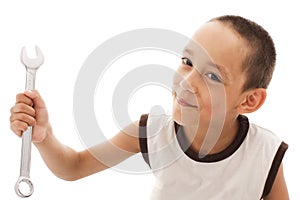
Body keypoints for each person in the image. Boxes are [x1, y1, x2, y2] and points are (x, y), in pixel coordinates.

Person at [10, 15, 289, 199]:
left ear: (249, 100)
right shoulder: (152, 131)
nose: (186, 81)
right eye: (187, 62)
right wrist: (44, 137)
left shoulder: (264, 153)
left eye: (212, 76)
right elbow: (73, 167)